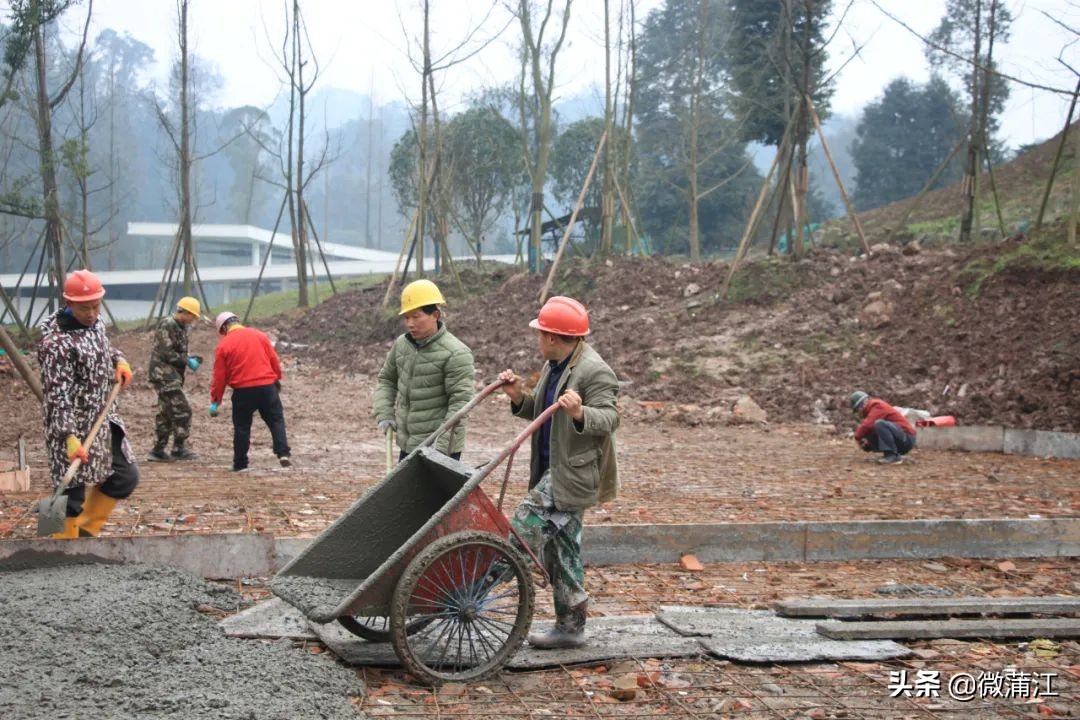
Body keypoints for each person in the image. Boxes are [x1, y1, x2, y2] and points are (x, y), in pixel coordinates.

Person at [498, 296, 619, 649]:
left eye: (540, 333)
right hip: (553, 468)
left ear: (553, 337)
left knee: (523, 527)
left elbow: (611, 418)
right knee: (563, 551)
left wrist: (581, 413)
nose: (537, 339)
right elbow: (541, 407)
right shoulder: (556, 363)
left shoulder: (594, 370)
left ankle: (479, 588)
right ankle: (570, 628)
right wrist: (518, 395)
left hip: (571, 475)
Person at [38, 269, 139, 538]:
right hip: (69, 423)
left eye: (96, 306)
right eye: (85, 308)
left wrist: (119, 360)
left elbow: (104, 347)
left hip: (102, 418)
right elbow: (57, 394)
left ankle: (84, 535)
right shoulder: (55, 344)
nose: (92, 313)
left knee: (125, 476)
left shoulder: (96, 323)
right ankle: (51, 547)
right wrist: (69, 436)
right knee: (69, 491)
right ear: (69, 304)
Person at [374, 279, 474, 461]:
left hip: (439, 449)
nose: (410, 324)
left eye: (416, 316)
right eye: (406, 318)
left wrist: (440, 449)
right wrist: (384, 413)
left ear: (435, 315)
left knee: (437, 491)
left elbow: (460, 406)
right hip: (407, 444)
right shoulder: (402, 345)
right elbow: (387, 380)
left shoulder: (456, 353)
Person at [210, 311, 291, 471]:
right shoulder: (260, 335)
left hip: (242, 391)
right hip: (267, 387)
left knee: (242, 427)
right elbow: (273, 359)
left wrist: (216, 399)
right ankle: (283, 453)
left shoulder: (223, 345)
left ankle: (240, 463)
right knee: (276, 420)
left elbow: (220, 376)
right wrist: (276, 378)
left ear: (225, 327)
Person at [147, 296, 204, 462]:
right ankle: (178, 448)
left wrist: (189, 358)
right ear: (185, 312)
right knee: (183, 410)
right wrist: (187, 360)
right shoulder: (168, 324)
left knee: (165, 413)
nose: (193, 320)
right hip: (163, 374)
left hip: (171, 375)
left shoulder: (180, 327)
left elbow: (176, 351)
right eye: (192, 316)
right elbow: (167, 352)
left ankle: (157, 450)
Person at [850, 390, 917, 465]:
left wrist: (857, 437)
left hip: (907, 438)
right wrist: (868, 444)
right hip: (901, 438)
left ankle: (892, 456)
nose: (858, 412)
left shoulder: (877, 405)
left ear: (863, 403)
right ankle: (890, 455)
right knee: (870, 429)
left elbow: (867, 425)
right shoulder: (871, 410)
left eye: (857, 409)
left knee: (879, 424)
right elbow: (870, 428)